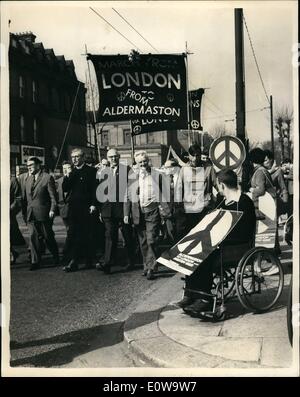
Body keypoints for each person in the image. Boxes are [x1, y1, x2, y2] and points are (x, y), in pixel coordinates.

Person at [178, 169, 256, 316]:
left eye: (217, 185)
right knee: (193, 250)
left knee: (205, 255)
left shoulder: (244, 201)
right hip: (223, 241)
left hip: (238, 244)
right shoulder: (222, 201)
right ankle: (191, 294)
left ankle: (205, 298)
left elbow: (244, 230)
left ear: (221, 184)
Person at [124, 150, 172, 280]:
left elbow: (165, 193)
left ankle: (151, 267)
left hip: (153, 210)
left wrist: (166, 210)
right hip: (138, 212)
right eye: (140, 162)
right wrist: (126, 213)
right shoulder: (133, 176)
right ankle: (147, 265)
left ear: (148, 160)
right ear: (136, 163)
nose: (143, 164)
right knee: (143, 241)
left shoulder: (157, 174)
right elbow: (127, 196)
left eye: (145, 161)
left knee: (151, 239)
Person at [96, 148, 135, 274]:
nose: (113, 159)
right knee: (110, 236)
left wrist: (128, 211)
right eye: (111, 157)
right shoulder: (104, 172)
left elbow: (131, 190)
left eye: (115, 156)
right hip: (108, 210)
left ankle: (131, 261)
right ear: (107, 158)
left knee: (127, 236)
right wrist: (101, 211)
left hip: (123, 210)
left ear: (119, 157)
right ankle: (107, 263)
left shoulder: (127, 170)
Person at [20, 157, 59, 270]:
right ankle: (35, 262)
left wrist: (52, 209)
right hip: (30, 214)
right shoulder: (27, 179)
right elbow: (25, 198)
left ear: (38, 165)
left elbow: (53, 197)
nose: (29, 168)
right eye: (28, 166)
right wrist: (24, 212)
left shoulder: (47, 177)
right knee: (33, 237)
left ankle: (55, 255)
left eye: (31, 165)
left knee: (48, 237)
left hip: (44, 213)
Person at [62, 148, 98, 272]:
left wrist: (93, 204)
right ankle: (74, 261)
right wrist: (67, 175)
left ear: (83, 157)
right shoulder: (72, 172)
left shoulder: (91, 171)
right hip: (74, 208)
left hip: (86, 208)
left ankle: (88, 260)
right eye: (73, 158)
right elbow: (65, 188)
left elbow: (94, 189)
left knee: (87, 234)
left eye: (77, 157)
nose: (75, 160)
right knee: (73, 234)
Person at [176, 144, 217, 233]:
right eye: (192, 155)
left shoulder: (209, 168)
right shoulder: (184, 169)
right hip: (189, 209)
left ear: (200, 155)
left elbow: (217, 185)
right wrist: (179, 207)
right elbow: (179, 188)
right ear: (189, 156)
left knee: (204, 233)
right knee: (191, 234)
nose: (195, 158)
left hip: (204, 208)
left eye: (197, 155)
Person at [248, 148, 276, 214]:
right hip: (266, 204)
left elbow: (261, 191)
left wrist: (250, 189)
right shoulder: (261, 170)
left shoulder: (259, 171)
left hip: (264, 207)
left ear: (252, 161)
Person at [56, 161, 72, 264]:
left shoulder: (74, 178)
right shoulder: (58, 181)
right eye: (64, 168)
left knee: (71, 231)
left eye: (68, 168)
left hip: (73, 209)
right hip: (63, 209)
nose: (66, 170)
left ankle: (67, 254)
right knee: (69, 231)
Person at [10, 176, 26, 264]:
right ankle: (13, 253)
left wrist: (10, 209)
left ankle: (12, 254)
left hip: (8, 213)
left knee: (8, 235)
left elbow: (18, 198)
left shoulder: (12, 180)